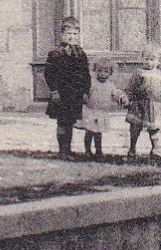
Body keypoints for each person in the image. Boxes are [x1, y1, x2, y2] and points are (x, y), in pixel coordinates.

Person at [44, 16, 91, 157]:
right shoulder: (55, 53)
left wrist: (85, 91)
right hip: (61, 94)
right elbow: (49, 74)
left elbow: (85, 74)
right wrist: (54, 91)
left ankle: (68, 149)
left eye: (75, 34)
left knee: (70, 122)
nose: (72, 37)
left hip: (75, 94)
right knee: (62, 122)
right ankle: (62, 150)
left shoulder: (80, 54)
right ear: (62, 35)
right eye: (68, 34)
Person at [125, 45, 161, 156]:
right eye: (146, 59)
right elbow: (131, 87)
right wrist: (127, 98)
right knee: (135, 127)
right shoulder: (139, 73)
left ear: (159, 61)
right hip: (138, 103)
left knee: (153, 128)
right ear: (142, 59)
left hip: (153, 105)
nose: (148, 62)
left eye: (152, 59)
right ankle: (132, 148)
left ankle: (155, 148)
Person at [79, 58, 124, 159]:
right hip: (91, 110)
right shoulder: (92, 83)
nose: (102, 74)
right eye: (99, 71)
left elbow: (115, 94)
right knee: (89, 132)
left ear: (110, 73)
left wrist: (120, 98)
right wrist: (84, 97)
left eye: (106, 71)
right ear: (95, 71)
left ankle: (98, 150)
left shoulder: (110, 85)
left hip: (101, 112)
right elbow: (85, 92)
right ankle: (87, 150)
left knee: (98, 133)